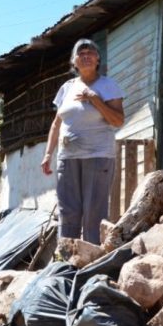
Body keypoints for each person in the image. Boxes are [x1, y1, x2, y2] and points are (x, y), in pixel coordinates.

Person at [41, 38, 124, 245]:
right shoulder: (67, 88)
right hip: (67, 158)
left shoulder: (108, 85)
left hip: (97, 156)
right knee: (68, 211)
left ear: (98, 59)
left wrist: (95, 100)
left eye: (90, 53)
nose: (86, 56)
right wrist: (48, 154)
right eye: (81, 54)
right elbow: (56, 124)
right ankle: (66, 261)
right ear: (74, 62)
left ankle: (92, 261)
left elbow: (118, 120)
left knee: (93, 213)